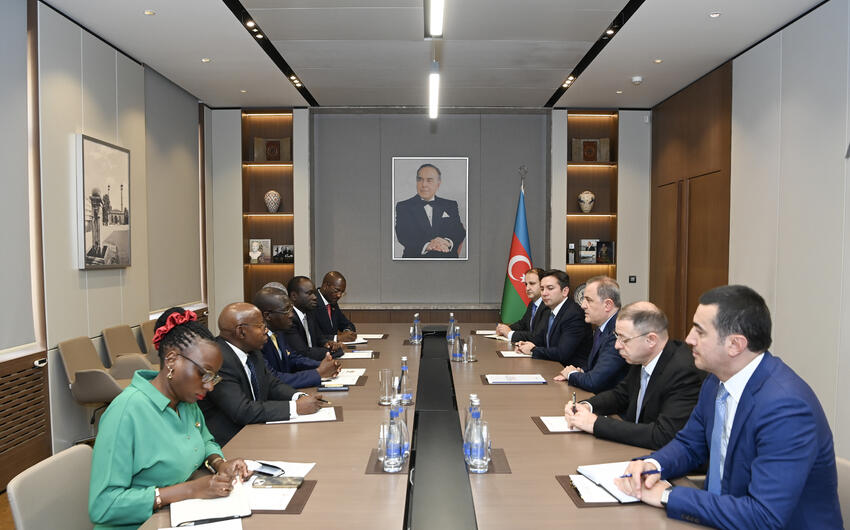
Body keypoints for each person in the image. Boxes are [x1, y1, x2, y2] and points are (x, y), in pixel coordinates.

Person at [616, 286, 842, 529]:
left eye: (700, 331)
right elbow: (690, 444)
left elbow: (764, 517)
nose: (689, 339)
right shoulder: (716, 381)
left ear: (735, 344)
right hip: (723, 517)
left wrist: (667, 496)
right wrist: (653, 465)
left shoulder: (786, 408)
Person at [89, 307, 252, 529]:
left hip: (176, 516)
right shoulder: (125, 412)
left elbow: (204, 441)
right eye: (204, 374)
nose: (210, 386)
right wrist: (190, 490)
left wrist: (220, 463)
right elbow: (103, 506)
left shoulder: (186, 401)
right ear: (172, 360)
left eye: (213, 377)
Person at [564, 301, 705, 449]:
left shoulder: (684, 372)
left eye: (624, 339)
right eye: (616, 336)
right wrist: (587, 406)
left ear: (651, 340)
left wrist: (594, 423)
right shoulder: (642, 357)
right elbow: (621, 394)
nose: (617, 345)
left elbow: (663, 435)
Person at [199, 302, 324, 445]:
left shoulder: (253, 352)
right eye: (261, 326)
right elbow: (241, 410)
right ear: (241, 331)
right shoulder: (218, 359)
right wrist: (296, 407)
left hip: (256, 430)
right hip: (230, 442)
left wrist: (299, 396)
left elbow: (272, 384)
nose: (266, 330)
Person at [253, 287, 340, 389]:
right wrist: (318, 373)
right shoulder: (256, 342)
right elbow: (274, 378)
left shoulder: (279, 332)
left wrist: (324, 365)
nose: (291, 315)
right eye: (286, 310)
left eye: (291, 308)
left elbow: (293, 358)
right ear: (268, 316)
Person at [554, 276, 628, 392]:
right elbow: (595, 367)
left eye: (588, 300)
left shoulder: (618, 333)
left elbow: (594, 382)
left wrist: (571, 374)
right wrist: (581, 372)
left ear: (608, 305)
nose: (582, 305)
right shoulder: (601, 327)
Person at [514, 270, 592, 367]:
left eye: (550, 288)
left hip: (571, 370)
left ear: (565, 291)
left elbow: (562, 353)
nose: (544, 293)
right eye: (542, 289)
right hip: (551, 365)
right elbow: (540, 339)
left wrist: (533, 350)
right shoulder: (548, 310)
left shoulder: (574, 314)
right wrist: (525, 345)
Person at [394, 163, 466, 258]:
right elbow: (403, 234)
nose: (424, 184)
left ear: (438, 184)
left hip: (447, 259)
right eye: (420, 179)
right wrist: (428, 246)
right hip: (416, 260)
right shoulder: (404, 206)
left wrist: (447, 242)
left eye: (429, 180)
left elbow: (459, 230)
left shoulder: (450, 205)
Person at [283, 276, 344, 360]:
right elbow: (303, 353)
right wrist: (332, 351)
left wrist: (328, 343)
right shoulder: (288, 320)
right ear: (294, 296)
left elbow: (318, 338)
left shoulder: (309, 313)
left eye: (314, 293)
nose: (315, 297)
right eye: (309, 293)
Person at [495, 267, 549, 342]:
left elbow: (537, 335)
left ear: (542, 285)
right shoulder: (532, 304)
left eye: (532, 283)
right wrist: (504, 328)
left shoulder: (547, 306)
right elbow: (522, 324)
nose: (527, 288)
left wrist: (510, 333)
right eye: (526, 284)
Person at [312, 271, 357, 342]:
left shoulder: (332, 302)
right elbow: (312, 335)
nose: (339, 295)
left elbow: (347, 324)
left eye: (342, 292)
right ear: (326, 286)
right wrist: (337, 338)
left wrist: (347, 332)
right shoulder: (312, 302)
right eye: (336, 290)